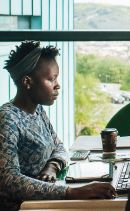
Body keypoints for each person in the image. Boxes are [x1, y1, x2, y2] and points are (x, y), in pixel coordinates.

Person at [0, 41, 116, 210]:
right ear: (27, 82)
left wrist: (51, 167)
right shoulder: (7, 119)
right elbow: (9, 181)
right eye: (51, 79)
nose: (57, 85)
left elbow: (59, 146)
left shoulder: (37, 110)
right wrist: (72, 192)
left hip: (45, 202)